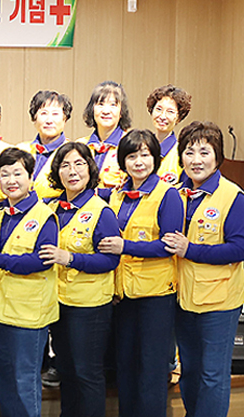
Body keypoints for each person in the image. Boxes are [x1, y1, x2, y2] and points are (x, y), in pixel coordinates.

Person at [97, 129, 183, 417]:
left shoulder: (168, 194)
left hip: (155, 297)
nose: (138, 162)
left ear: (155, 158)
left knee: (151, 370)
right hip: (123, 296)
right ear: (122, 160)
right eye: (132, 156)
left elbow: (169, 245)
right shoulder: (117, 194)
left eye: (145, 155)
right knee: (125, 368)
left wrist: (126, 246)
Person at [161, 121, 244, 417]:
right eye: (189, 152)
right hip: (182, 299)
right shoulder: (173, 193)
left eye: (204, 152)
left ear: (217, 156)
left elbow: (239, 249)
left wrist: (191, 250)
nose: (196, 160)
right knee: (190, 371)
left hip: (219, 303)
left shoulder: (233, 196)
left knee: (212, 375)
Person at [0, 148, 59, 417]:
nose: (11, 180)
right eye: (4, 174)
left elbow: (42, 261)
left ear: (31, 177)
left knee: (24, 381)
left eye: (17, 173)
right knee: (2, 375)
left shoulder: (44, 216)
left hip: (28, 316)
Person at [38, 142, 120, 417]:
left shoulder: (101, 211)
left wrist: (71, 258)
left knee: (87, 373)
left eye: (79, 164)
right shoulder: (51, 207)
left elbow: (110, 261)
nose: (72, 171)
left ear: (90, 169)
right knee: (66, 371)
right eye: (65, 165)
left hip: (89, 306)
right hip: (57, 302)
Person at [78, 81, 132, 192]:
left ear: (121, 112)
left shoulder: (130, 145)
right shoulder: (80, 146)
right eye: (100, 104)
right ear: (92, 109)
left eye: (113, 105)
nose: (106, 111)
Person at [17, 90, 72, 200]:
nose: (49, 120)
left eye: (55, 114)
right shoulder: (20, 150)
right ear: (34, 118)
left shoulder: (72, 153)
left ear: (65, 118)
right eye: (43, 113)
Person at [146, 84, 193, 185]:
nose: (162, 116)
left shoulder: (181, 153)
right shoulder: (142, 146)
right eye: (158, 109)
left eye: (170, 112)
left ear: (179, 118)